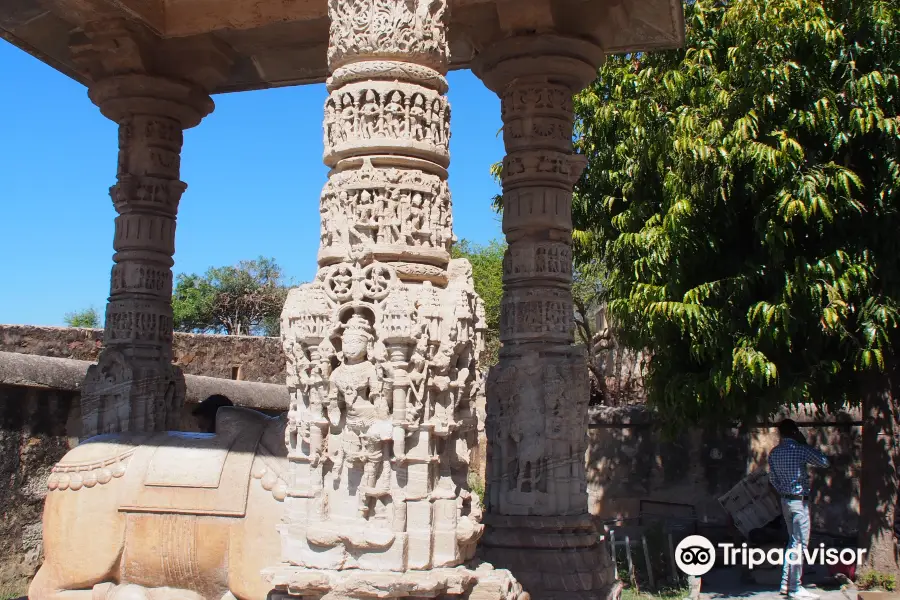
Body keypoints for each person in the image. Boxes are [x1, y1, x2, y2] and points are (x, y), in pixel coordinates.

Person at [767, 419, 830, 600]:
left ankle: (786, 584)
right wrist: (805, 443)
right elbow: (824, 462)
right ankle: (795, 587)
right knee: (799, 545)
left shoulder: (774, 453)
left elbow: (773, 479)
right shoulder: (800, 450)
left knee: (792, 542)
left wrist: (783, 492)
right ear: (795, 432)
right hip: (799, 502)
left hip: (785, 501)